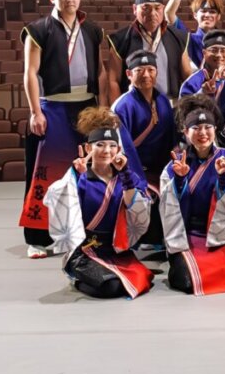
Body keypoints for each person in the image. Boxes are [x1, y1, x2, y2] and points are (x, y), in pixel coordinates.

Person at [21, 0, 108, 258]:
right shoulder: (38, 29)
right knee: (46, 172)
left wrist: (103, 107)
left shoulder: (93, 29)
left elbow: (101, 70)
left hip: (87, 106)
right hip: (53, 107)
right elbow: (30, 72)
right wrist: (36, 111)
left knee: (89, 169)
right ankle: (38, 238)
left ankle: (87, 232)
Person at [44, 108, 153, 299]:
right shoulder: (79, 176)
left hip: (114, 248)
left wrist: (125, 175)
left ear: (118, 150)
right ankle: (77, 277)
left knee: (142, 280)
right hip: (85, 250)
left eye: (112, 146)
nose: (106, 151)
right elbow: (55, 199)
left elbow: (137, 209)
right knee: (110, 287)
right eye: (100, 145)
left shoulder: (126, 176)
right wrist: (75, 175)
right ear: (88, 148)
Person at [159, 95, 225, 296]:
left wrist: (224, 179)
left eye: (208, 127)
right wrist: (179, 180)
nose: (203, 133)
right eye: (196, 128)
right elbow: (166, 206)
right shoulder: (176, 163)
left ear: (215, 129)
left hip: (217, 235)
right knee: (186, 281)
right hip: (186, 236)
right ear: (185, 132)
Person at [111, 49, 177, 248]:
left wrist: (173, 167)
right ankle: (147, 238)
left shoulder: (163, 100)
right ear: (129, 74)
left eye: (151, 70)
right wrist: (138, 180)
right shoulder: (122, 106)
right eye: (139, 70)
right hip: (134, 169)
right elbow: (125, 149)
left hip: (160, 167)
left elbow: (171, 139)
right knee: (148, 193)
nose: (146, 75)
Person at [108, 0, 190, 99]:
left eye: (157, 8)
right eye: (145, 8)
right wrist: (118, 109)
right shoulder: (120, 39)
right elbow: (113, 81)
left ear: (163, 9)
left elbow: (187, 76)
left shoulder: (178, 37)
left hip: (170, 105)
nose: (152, 13)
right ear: (134, 9)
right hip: (134, 105)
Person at [179, 30, 225, 148]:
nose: (219, 55)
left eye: (223, 50)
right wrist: (203, 93)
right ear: (204, 53)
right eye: (214, 50)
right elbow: (183, 113)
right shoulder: (192, 82)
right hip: (201, 139)